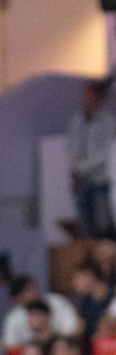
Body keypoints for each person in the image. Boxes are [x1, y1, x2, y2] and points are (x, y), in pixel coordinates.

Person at [66, 79, 115, 238]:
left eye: (88, 94)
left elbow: (103, 153)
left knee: (103, 226)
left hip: (100, 183)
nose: (85, 98)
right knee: (86, 227)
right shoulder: (77, 121)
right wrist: (74, 170)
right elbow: (72, 148)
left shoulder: (107, 121)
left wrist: (81, 169)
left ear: (97, 97)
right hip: (82, 183)